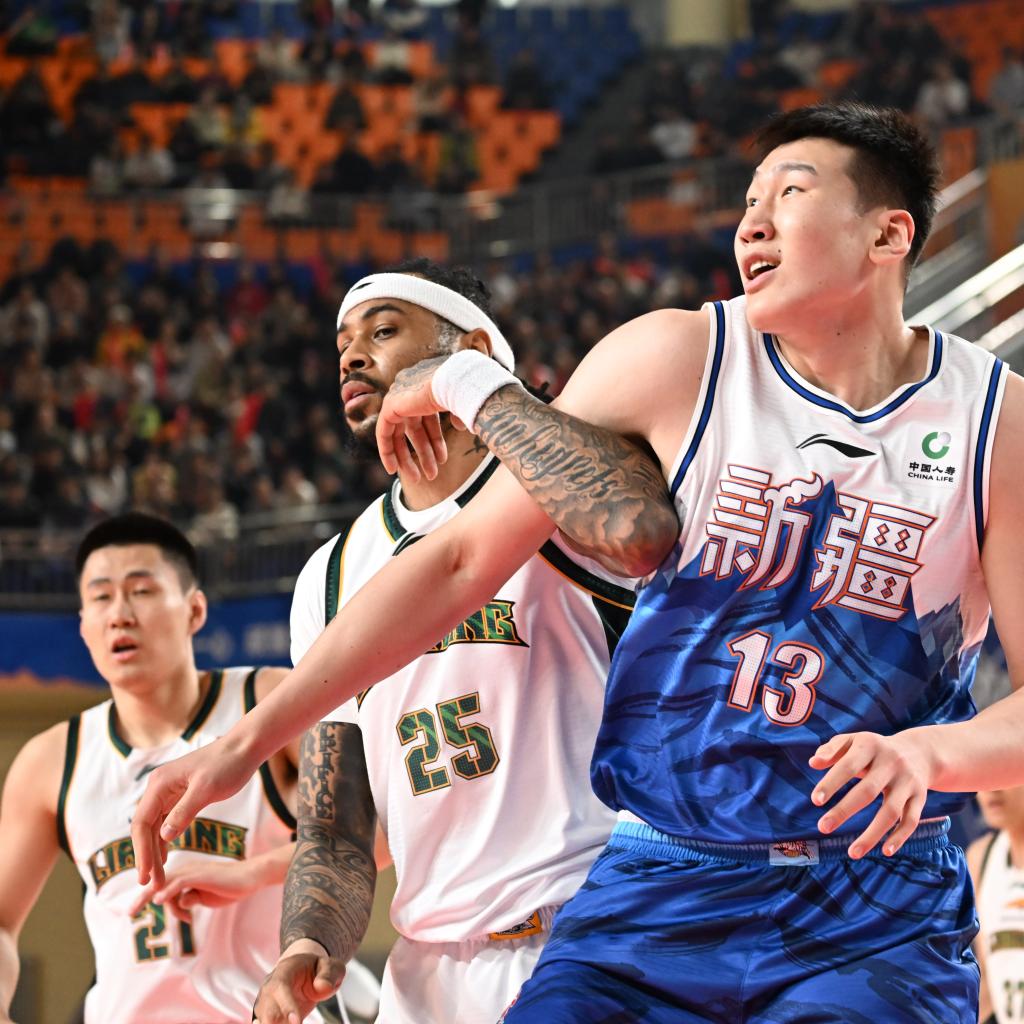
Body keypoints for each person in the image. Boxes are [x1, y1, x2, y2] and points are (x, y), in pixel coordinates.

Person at [134, 102, 1024, 1021]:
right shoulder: (675, 354)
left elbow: (628, 529)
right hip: (666, 873)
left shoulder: (995, 422)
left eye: (789, 195)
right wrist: (242, 744)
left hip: (868, 892)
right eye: (747, 201)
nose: (751, 224)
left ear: (888, 234)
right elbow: (456, 563)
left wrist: (930, 752)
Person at [252, 259, 662, 1023]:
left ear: (471, 348)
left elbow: (640, 529)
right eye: (343, 343)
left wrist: (473, 388)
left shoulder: (553, 487)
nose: (352, 356)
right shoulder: (331, 575)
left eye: (383, 331)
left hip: (590, 935)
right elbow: (336, 827)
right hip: (428, 970)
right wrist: (308, 942)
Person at [0, 513, 334, 1024]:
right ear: (83, 625)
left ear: (195, 610)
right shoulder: (51, 760)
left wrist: (250, 873)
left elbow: (374, 837)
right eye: (101, 597)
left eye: (141, 591)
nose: (120, 614)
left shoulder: (269, 701)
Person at [968, 786, 1024, 1024]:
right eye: (986, 777)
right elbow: (989, 979)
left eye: (1005, 775)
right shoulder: (980, 857)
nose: (993, 789)